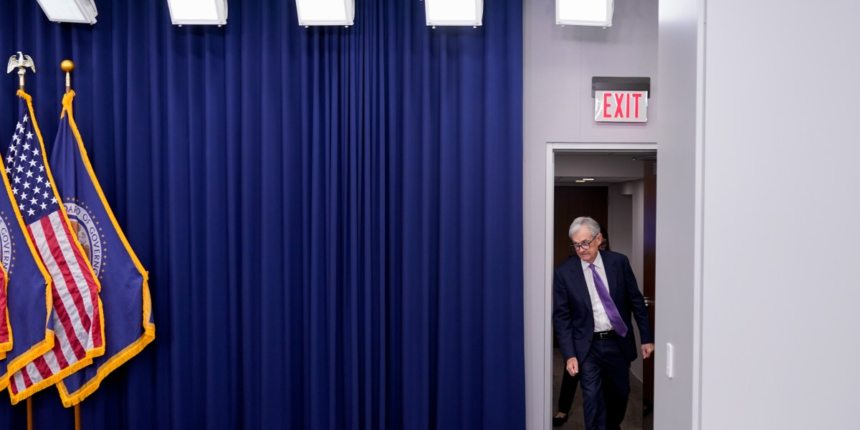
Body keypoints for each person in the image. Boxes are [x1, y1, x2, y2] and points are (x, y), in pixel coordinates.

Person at [552, 217, 654, 430]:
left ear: (598, 239)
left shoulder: (619, 262)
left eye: (585, 243)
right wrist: (570, 354)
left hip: (617, 342)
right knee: (592, 398)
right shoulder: (564, 273)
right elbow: (562, 318)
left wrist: (646, 338)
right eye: (576, 245)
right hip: (587, 347)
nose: (580, 249)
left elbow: (636, 301)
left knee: (620, 394)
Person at [553, 228, 611, 427]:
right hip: (579, 335)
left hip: (607, 338)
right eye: (578, 244)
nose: (583, 249)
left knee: (607, 388)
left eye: (603, 244)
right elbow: (563, 314)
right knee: (573, 374)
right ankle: (563, 409)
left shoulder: (612, 264)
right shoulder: (570, 269)